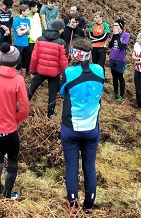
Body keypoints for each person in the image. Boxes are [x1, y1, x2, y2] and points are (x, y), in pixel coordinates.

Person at [60, 38, 104, 215]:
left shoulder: (69, 72)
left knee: (72, 167)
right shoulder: (99, 70)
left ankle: (72, 202)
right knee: (90, 166)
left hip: (71, 127)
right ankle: (89, 205)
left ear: (73, 54)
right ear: (89, 54)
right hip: (92, 127)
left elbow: (63, 92)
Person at [0, 42, 29, 200]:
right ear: (16, 62)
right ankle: (8, 195)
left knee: (0, 151)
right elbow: (24, 109)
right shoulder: (18, 80)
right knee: (13, 158)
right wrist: (13, 120)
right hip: (8, 130)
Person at [28, 19, 68, 119]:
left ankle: (21, 106)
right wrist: (64, 75)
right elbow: (63, 62)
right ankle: (50, 116)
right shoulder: (61, 43)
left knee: (31, 88)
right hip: (54, 74)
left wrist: (32, 71)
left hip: (40, 71)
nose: (63, 31)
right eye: (62, 29)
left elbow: (34, 58)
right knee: (52, 94)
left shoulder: (40, 39)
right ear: (58, 29)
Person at [108, 18, 130, 102]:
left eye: (116, 25)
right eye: (114, 25)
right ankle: (115, 92)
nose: (114, 27)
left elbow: (121, 46)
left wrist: (117, 35)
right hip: (112, 58)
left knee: (120, 77)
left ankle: (121, 95)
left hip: (120, 59)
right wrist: (114, 36)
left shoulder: (126, 35)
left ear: (121, 26)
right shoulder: (114, 34)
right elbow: (110, 45)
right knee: (114, 77)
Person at [13, 4, 31, 77]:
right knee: (19, 61)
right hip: (18, 43)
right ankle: (17, 75)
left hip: (26, 43)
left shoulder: (28, 20)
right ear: (22, 12)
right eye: (27, 11)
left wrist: (25, 29)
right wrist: (26, 29)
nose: (29, 12)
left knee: (25, 61)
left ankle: (23, 75)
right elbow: (19, 33)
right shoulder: (16, 20)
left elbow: (29, 32)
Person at [0, 0, 13, 65]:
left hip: (8, 31)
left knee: (9, 46)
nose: (7, 9)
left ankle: (7, 62)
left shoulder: (10, 11)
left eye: (9, 7)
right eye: (6, 7)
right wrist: (2, 26)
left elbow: (11, 22)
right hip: (0, 31)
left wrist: (8, 28)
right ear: (3, 4)